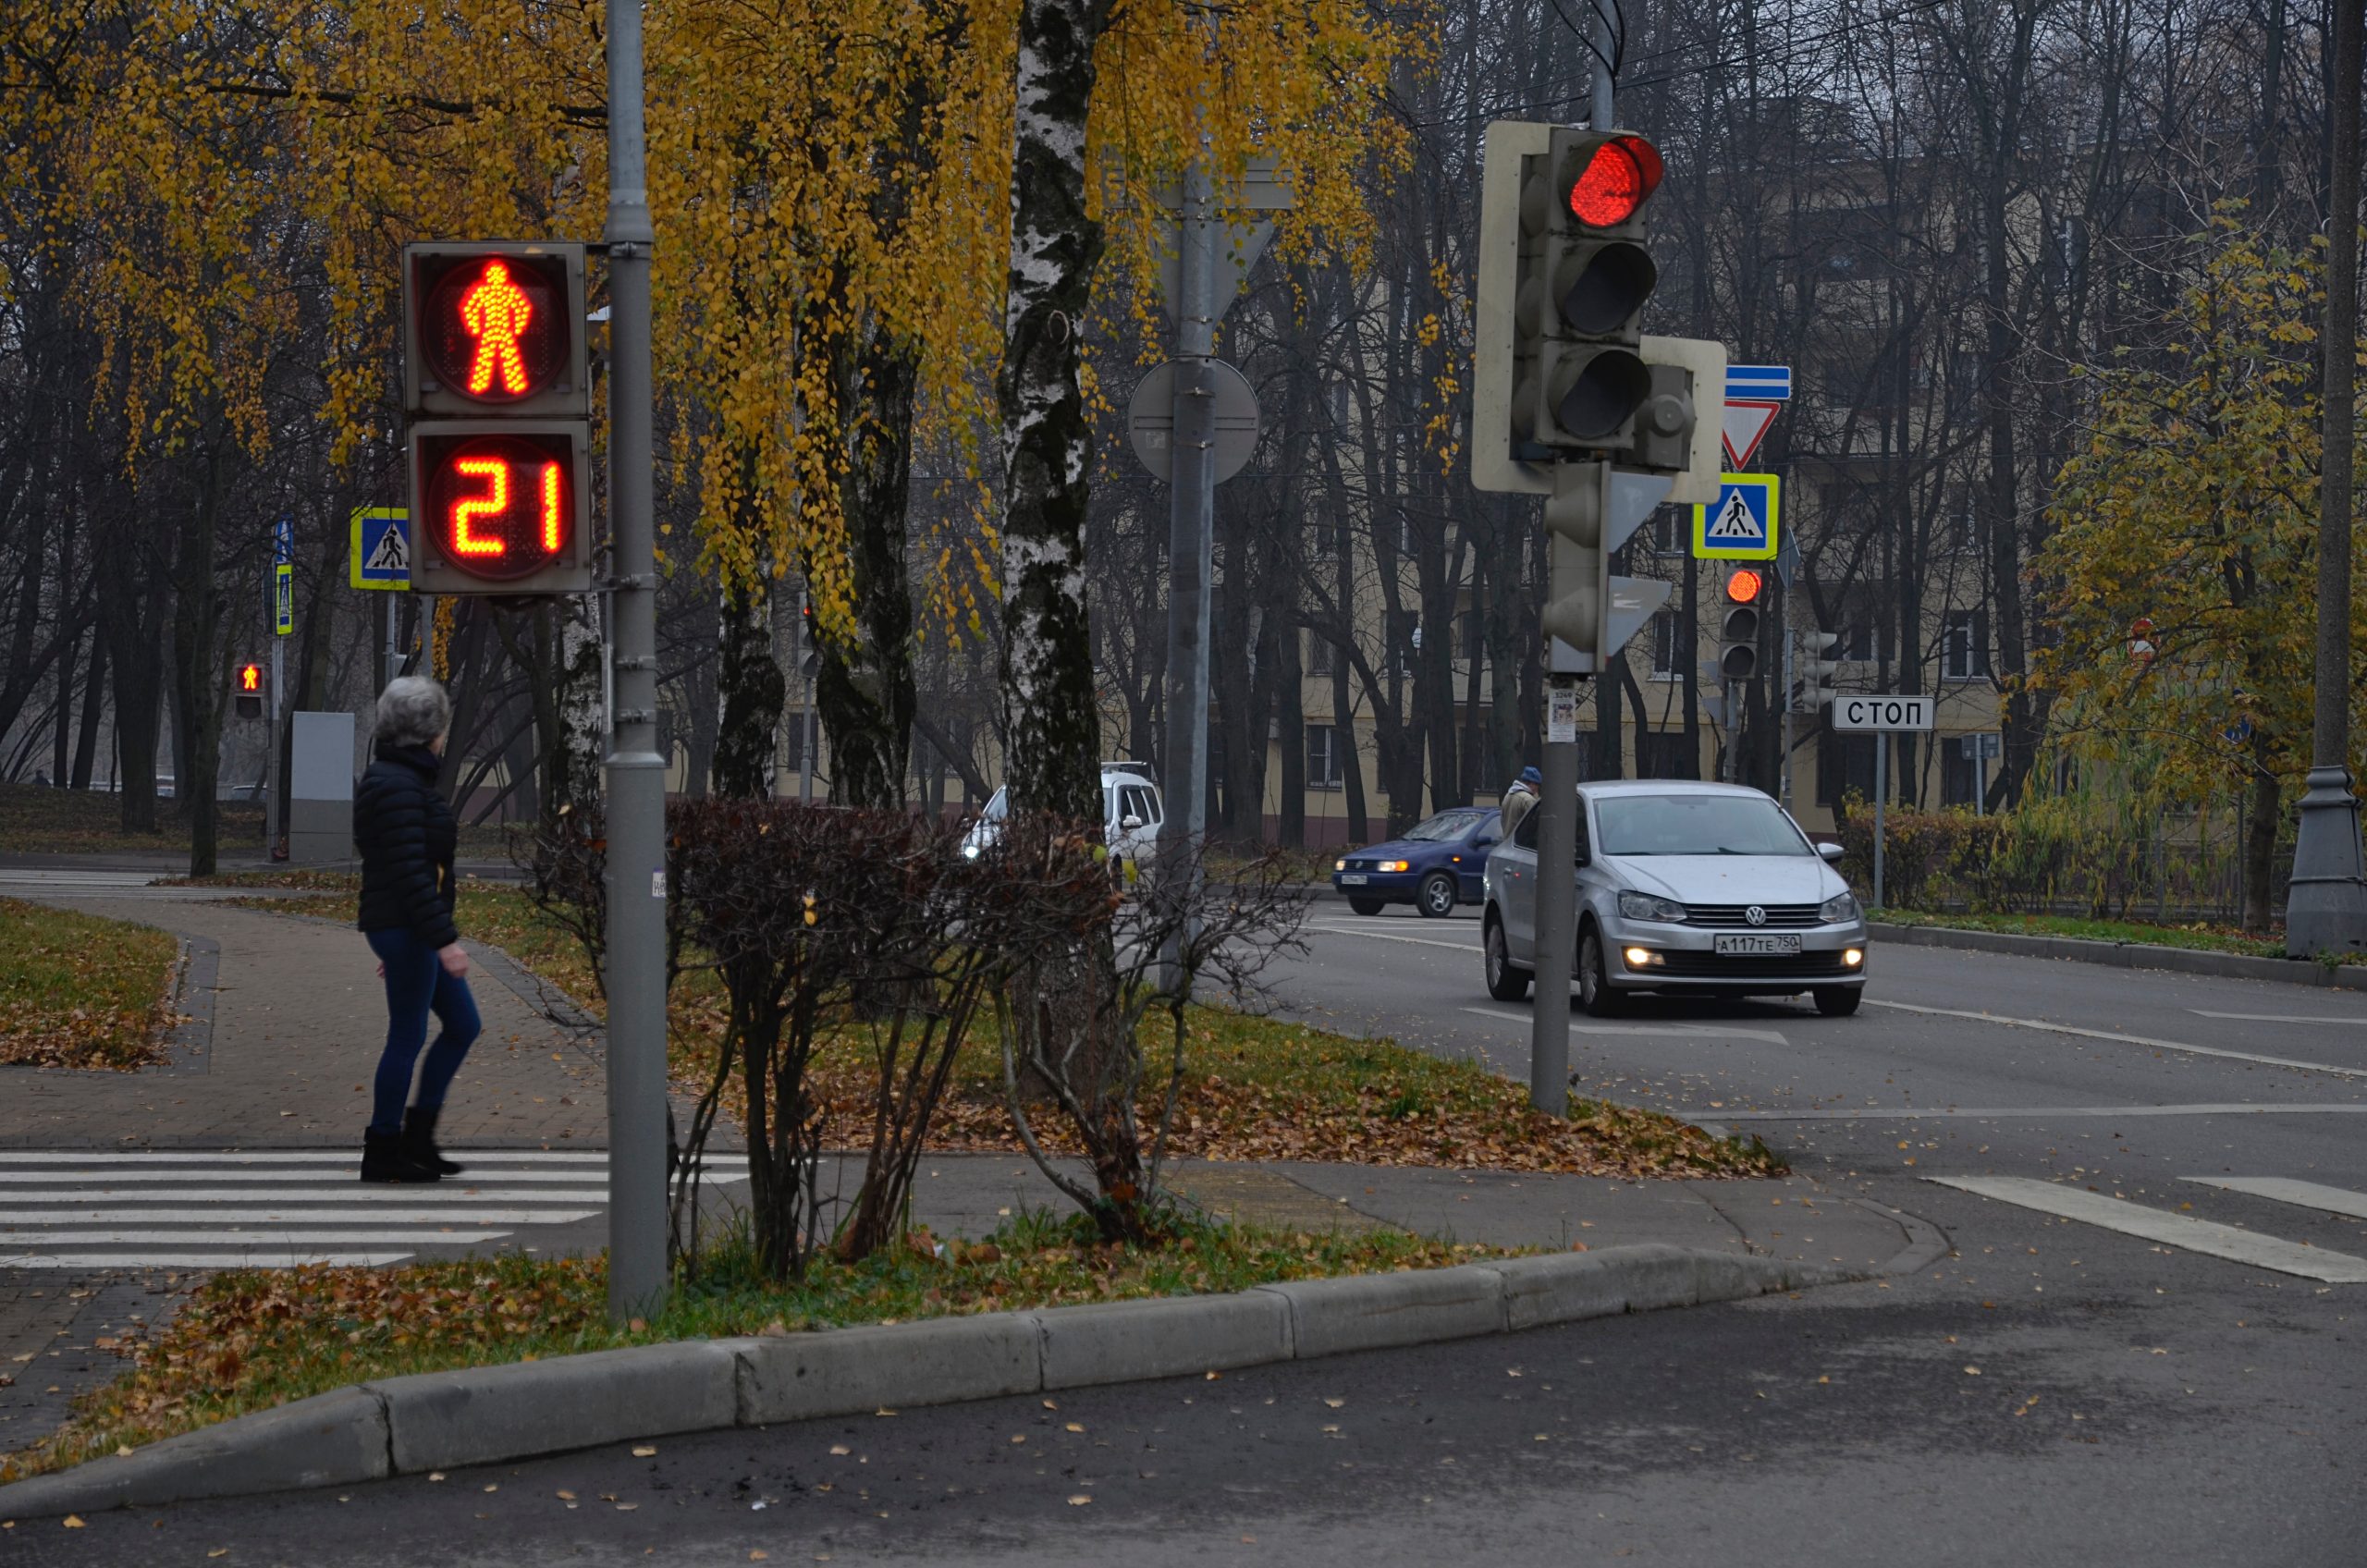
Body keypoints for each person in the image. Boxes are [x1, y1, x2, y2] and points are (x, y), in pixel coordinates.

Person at [353, 676, 480, 1183]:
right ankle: (383, 1148)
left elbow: (414, 867)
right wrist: (442, 941)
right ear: (428, 732)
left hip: (408, 929)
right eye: (441, 728)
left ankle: (418, 1138)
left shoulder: (399, 779)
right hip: (409, 927)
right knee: (406, 1035)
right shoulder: (396, 784)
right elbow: (409, 871)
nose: (444, 737)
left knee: (464, 1025)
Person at [1498, 765, 1542, 839]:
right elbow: (1535, 825)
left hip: (1507, 843)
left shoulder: (1508, 795)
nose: (1537, 788)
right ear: (1531, 783)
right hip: (1521, 844)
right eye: (1537, 784)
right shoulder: (1527, 799)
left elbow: (1502, 820)